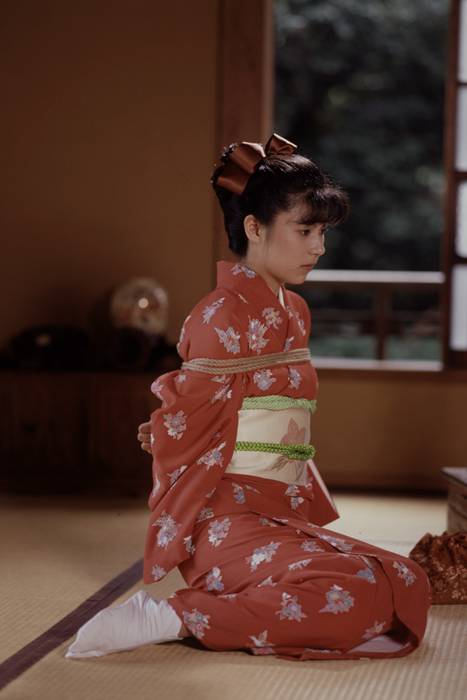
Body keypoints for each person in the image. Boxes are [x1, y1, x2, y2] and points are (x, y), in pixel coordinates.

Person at [65, 132, 432, 662]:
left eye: (322, 232)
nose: (319, 247)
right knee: (352, 595)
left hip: (279, 511)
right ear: (255, 228)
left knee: (405, 578)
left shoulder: (294, 311)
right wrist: (168, 429)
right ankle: (171, 616)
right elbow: (184, 419)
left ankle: (223, 611)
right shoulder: (219, 315)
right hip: (225, 519)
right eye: (304, 230)